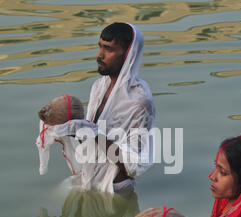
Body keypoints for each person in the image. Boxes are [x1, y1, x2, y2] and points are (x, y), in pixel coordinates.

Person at [36, 22, 155, 194]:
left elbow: (132, 166)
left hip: (115, 191)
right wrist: (67, 127)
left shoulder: (140, 101)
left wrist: (92, 132)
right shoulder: (99, 86)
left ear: (129, 54)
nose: (99, 55)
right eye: (99, 47)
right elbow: (92, 140)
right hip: (88, 178)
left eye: (109, 49)